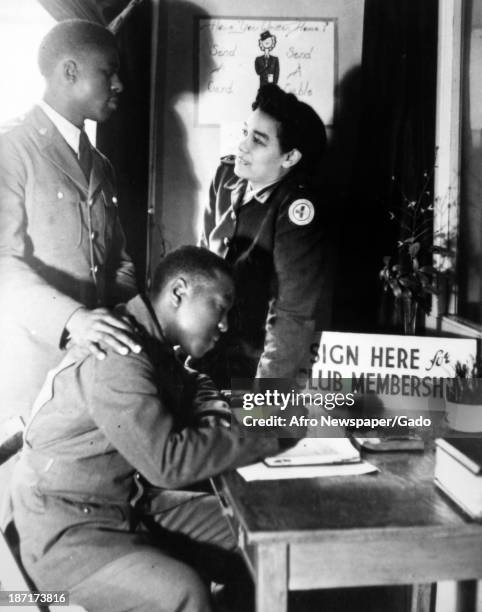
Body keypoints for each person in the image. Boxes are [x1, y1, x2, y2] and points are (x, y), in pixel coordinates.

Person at [11, 246, 289, 612]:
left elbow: (192, 381)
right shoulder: (121, 349)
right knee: (185, 593)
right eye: (220, 308)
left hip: (124, 504)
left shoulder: (149, 336)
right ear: (179, 293)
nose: (224, 325)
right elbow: (168, 463)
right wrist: (275, 433)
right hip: (70, 531)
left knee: (261, 541)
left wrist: (234, 412)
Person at [0, 19, 140, 423]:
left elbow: (120, 261)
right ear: (69, 71)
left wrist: (120, 324)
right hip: (27, 373)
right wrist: (74, 320)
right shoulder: (11, 149)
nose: (118, 85)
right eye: (108, 72)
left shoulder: (101, 165)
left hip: (93, 369)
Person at [200, 84, 327, 386]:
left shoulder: (298, 210)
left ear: (290, 157)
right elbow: (201, 266)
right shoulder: (225, 176)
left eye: (258, 140)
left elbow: (292, 316)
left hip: (256, 365)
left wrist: (262, 404)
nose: (242, 146)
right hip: (207, 348)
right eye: (246, 132)